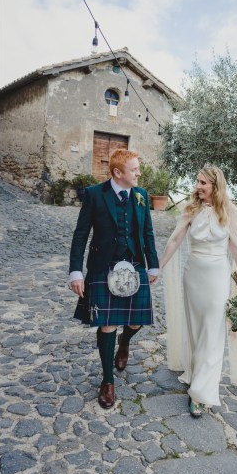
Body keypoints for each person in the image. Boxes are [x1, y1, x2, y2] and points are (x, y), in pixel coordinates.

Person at [69, 149, 159, 409]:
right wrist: (76, 271)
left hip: (135, 264)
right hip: (103, 266)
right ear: (118, 173)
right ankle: (108, 381)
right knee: (107, 324)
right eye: (134, 170)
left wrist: (153, 266)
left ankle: (125, 342)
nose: (139, 173)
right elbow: (80, 234)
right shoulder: (95, 195)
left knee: (137, 320)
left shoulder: (141, 196)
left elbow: (148, 234)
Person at [159, 165, 237, 417]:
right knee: (196, 329)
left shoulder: (229, 210)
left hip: (218, 277)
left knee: (212, 332)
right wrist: (158, 267)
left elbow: (236, 246)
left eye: (203, 183)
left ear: (215, 186)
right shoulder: (191, 208)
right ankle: (195, 372)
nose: (198, 187)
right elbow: (175, 239)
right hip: (193, 276)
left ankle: (201, 393)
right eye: (197, 182)